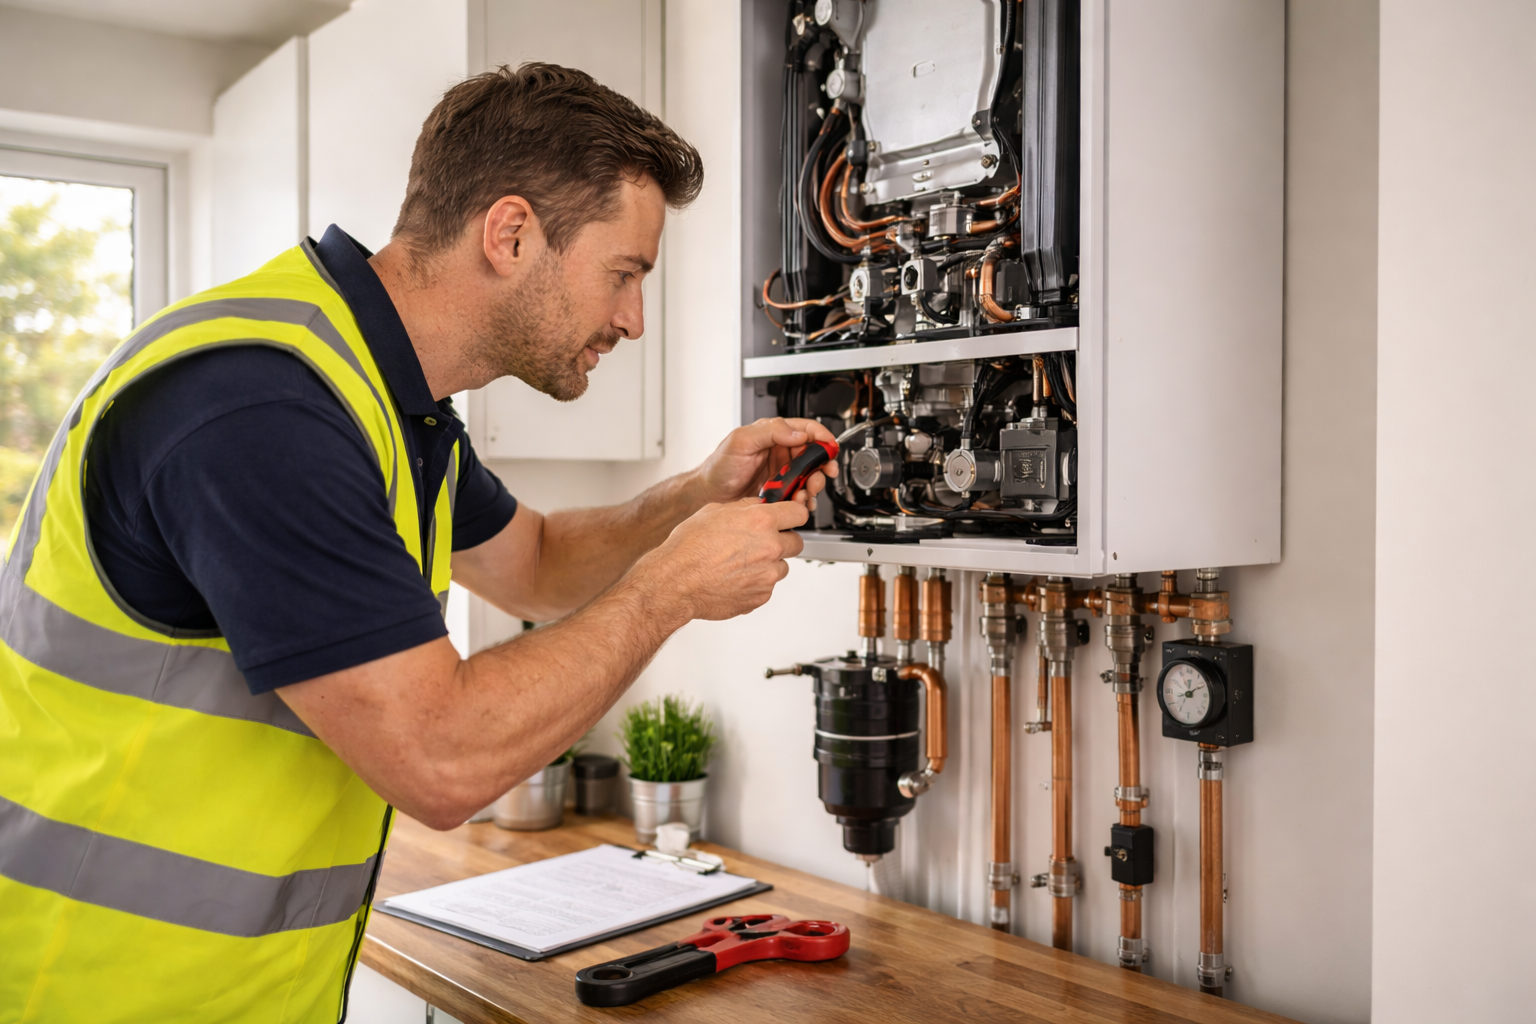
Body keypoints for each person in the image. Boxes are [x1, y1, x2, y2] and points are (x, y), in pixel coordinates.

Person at [0, 63, 836, 1022]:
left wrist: (693, 497)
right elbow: (441, 759)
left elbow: (537, 563)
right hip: (85, 992)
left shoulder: (392, 404)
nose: (634, 321)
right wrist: (669, 590)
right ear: (511, 234)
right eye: (625, 273)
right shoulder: (261, 409)